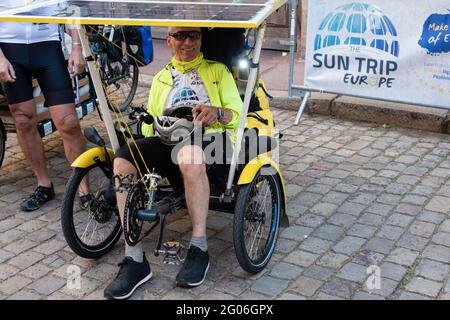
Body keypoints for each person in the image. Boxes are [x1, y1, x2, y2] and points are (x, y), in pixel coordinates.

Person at [104, 26, 243, 299]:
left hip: (211, 142)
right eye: (179, 35)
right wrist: (152, 126)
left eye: (193, 35)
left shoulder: (218, 71)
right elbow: (149, 128)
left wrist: (217, 112)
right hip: (168, 140)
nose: (187, 41)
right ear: (168, 40)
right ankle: (134, 258)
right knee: (122, 160)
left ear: (202, 39)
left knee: (188, 156)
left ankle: (199, 246)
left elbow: (238, 114)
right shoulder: (161, 78)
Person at [0, 1, 89, 211]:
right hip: (9, 47)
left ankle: (84, 190)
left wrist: (77, 48)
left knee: (68, 122)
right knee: (23, 119)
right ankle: (44, 184)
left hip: (47, 46)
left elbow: (71, 7)